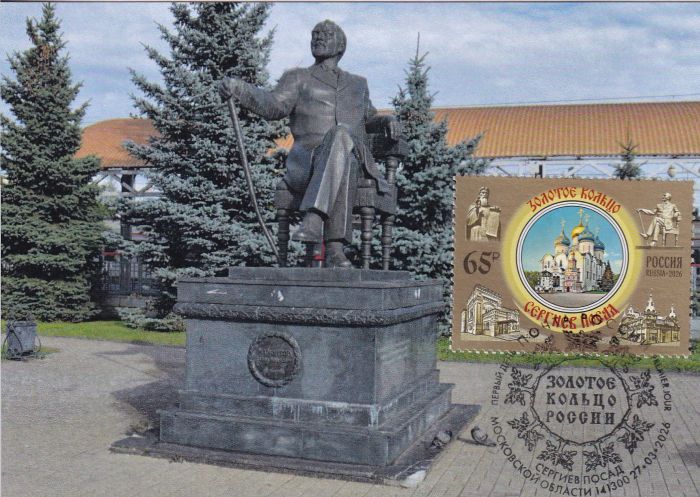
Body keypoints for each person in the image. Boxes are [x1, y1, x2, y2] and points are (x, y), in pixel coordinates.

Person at [219, 20, 400, 268]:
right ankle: (335, 248)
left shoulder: (358, 84)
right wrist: (240, 89)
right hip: (306, 162)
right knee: (343, 144)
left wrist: (387, 119)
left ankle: (316, 222)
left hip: (348, 159)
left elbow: (368, 118)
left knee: (344, 146)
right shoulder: (297, 77)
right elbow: (273, 106)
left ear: (341, 45)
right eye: (315, 34)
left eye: (326, 34)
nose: (318, 37)